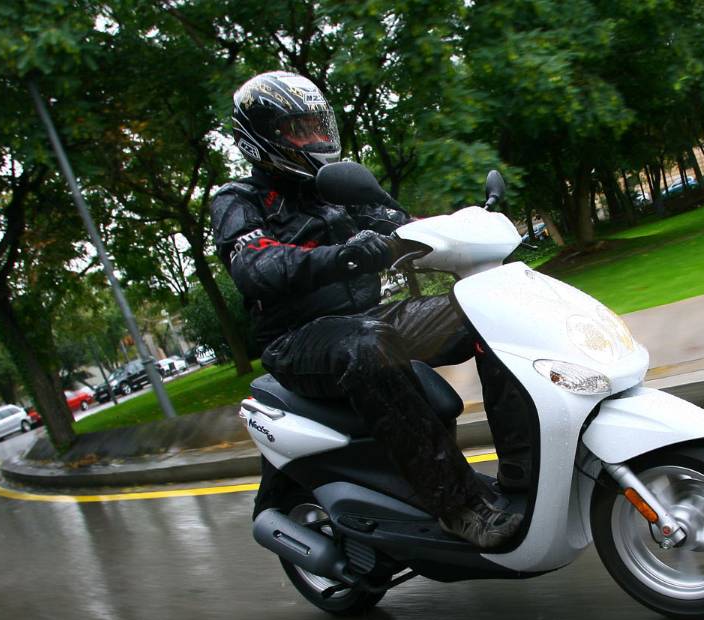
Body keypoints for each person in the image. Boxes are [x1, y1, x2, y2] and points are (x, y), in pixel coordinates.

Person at [211, 71, 531, 549]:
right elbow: (256, 265)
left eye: (320, 127)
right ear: (263, 137)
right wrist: (343, 256)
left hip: (368, 316)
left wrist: (464, 227)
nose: (317, 139)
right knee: (370, 347)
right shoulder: (238, 200)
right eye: (301, 130)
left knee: (488, 310)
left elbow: (403, 225)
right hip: (299, 339)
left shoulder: (337, 188)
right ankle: (458, 507)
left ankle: (522, 471)